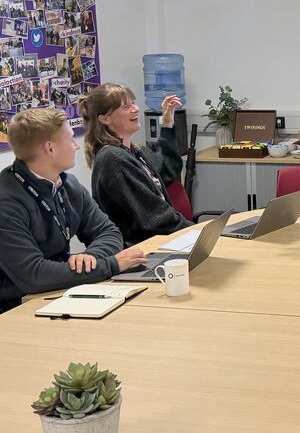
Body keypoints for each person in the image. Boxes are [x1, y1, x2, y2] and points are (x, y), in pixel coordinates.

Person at [0, 109, 148, 314]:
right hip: (14, 308)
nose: (77, 145)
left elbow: (108, 232)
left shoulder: (67, 184)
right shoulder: (6, 202)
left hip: (57, 291)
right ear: (50, 148)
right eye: (71, 139)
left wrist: (90, 258)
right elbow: (33, 275)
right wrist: (110, 265)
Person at [79, 83, 192, 246]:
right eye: (126, 106)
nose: (136, 109)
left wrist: (167, 124)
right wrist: (196, 231)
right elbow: (155, 218)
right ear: (105, 119)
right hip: (142, 251)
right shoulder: (113, 158)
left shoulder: (135, 150)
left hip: (159, 242)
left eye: (133, 102)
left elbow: (169, 170)